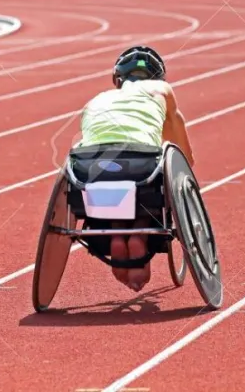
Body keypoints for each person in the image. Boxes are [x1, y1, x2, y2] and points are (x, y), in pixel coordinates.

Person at [74, 45, 195, 292]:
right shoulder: (161, 90)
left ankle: (117, 232)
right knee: (151, 175)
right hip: (141, 168)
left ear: (117, 78)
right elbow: (179, 145)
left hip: (92, 170)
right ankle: (139, 234)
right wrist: (188, 164)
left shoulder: (95, 100)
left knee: (113, 175)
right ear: (158, 76)